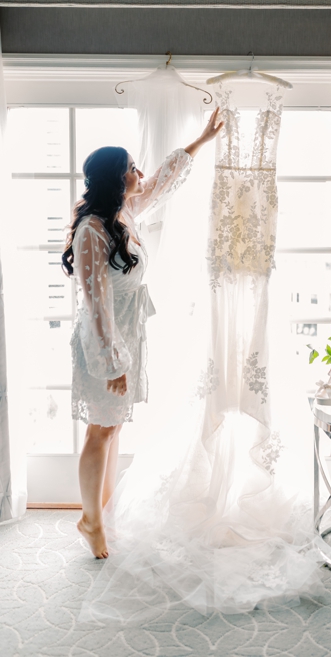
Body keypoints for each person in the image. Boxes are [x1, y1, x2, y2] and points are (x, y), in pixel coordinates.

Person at [62, 109, 224, 559]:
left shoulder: (124, 211)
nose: (140, 173)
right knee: (100, 429)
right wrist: (112, 362)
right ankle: (90, 520)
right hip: (103, 343)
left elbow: (162, 180)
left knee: (112, 428)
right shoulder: (92, 231)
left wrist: (200, 141)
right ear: (116, 178)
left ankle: (103, 512)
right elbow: (96, 306)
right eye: (132, 167)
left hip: (125, 339)